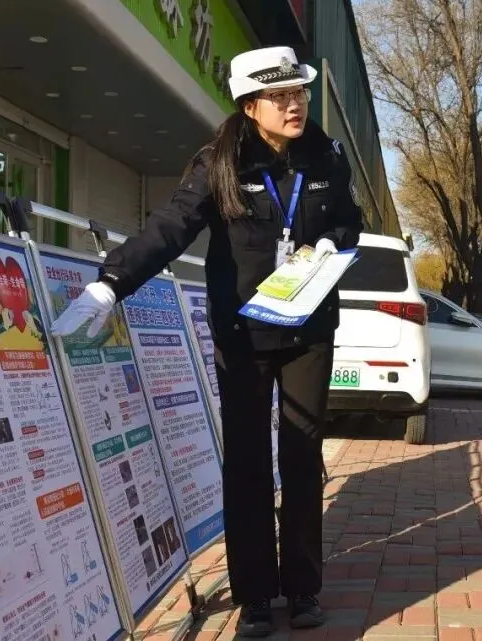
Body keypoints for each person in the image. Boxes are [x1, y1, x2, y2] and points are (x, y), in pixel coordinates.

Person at [50, 46, 363, 636]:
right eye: (279, 96)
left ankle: (303, 587)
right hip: (244, 333)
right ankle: (255, 595)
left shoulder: (325, 155)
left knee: (301, 456)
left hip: (309, 329)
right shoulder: (218, 163)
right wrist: (112, 284)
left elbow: (350, 217)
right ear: (250, 106)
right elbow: (171, 226)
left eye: (298, 92)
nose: (294, 104)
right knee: (247, 461)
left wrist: (334, 242)